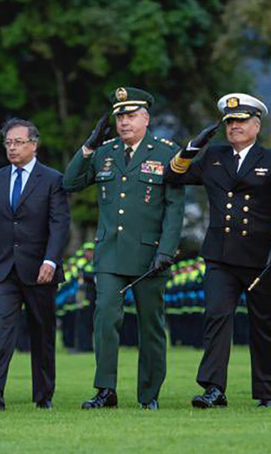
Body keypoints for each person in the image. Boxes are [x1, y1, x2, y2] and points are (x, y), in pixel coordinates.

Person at [167, 93, 271, 409]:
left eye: (240, 121)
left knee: (263, 324)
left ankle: (266, 393)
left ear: (256, 124)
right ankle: (213, 388)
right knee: (216, 317)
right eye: (230, 122)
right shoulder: (213, 157)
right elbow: (173, 176)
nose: (234, 126)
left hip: (261, 256)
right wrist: (192, 147)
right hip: (220, 254)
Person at [63, 86, 185, 410]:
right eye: (120, 117)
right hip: (110, 252)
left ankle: (149, 394)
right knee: (104, 317)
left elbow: (175, 207)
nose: (124, 122)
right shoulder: (105, 152)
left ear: (146, 118)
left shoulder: (165, 153)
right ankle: (106, 390)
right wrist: (88, 146)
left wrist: (168, 250)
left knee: (151, 324)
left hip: (150, 253)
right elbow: (70, 182)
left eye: (131, 116)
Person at [0, 118, 70, 410]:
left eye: (18, 142)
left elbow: (60, 224)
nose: (12, 148)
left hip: (40, 269)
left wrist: (51, 260)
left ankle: (43, 395)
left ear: (33, 145)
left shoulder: (52, 179)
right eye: (8, 143)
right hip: (3, 270)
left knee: (42, 333)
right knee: (1, 329)